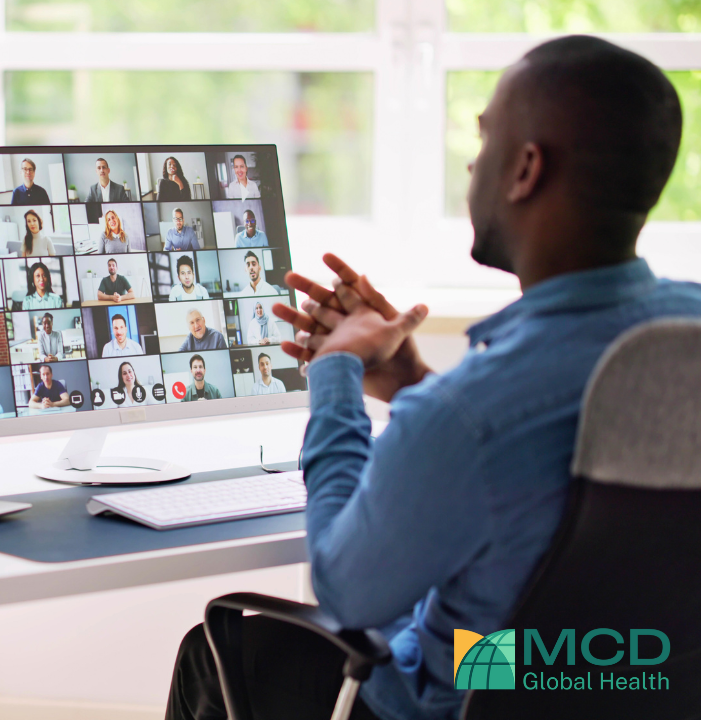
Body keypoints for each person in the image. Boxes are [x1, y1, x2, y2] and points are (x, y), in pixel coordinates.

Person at [167, 36, 701, 720]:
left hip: (473, 696)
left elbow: (347, 591)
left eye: (484, 141)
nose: (473, 164)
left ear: (525, 169)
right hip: (627, 680)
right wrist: (413, 381)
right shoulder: (682, 331)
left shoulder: (471, 414)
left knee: (217, 648)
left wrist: (335, 371)